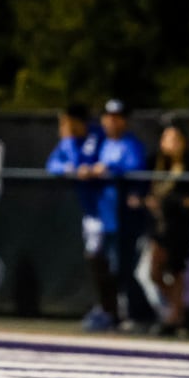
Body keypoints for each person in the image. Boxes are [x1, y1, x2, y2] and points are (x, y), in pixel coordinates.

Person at [77, 97, 149, 331]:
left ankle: (140, 312)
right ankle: (109, 311)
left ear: (124, 121)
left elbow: (135, 169)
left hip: (123, 217)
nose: (111, 122)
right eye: (108, 117)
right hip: (101, 214)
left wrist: (108, 169)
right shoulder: (100, 143)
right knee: (101, 265)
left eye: (117, 118)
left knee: (123, 267)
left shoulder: (131, 145)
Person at [44, 102, 107, 330]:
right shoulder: (70, 142)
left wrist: (91, 168)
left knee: (110, 261)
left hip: (108, 209)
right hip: (91, 211)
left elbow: (105, 162)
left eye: (65, 121)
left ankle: (113, 308)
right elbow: (52, 165)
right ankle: (105, 308)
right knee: (95, 258)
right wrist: (72, 167)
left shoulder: (98, 136)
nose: (62, 127)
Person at [142, 117, 189, 335]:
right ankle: (181, 310)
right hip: (159, 225)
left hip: (180, 226)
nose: (169, 143)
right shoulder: (157, 162)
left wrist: (176, 201)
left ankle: (175, 316)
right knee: (154, 272)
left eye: (174, 138)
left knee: (176, 269)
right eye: (166, 138)